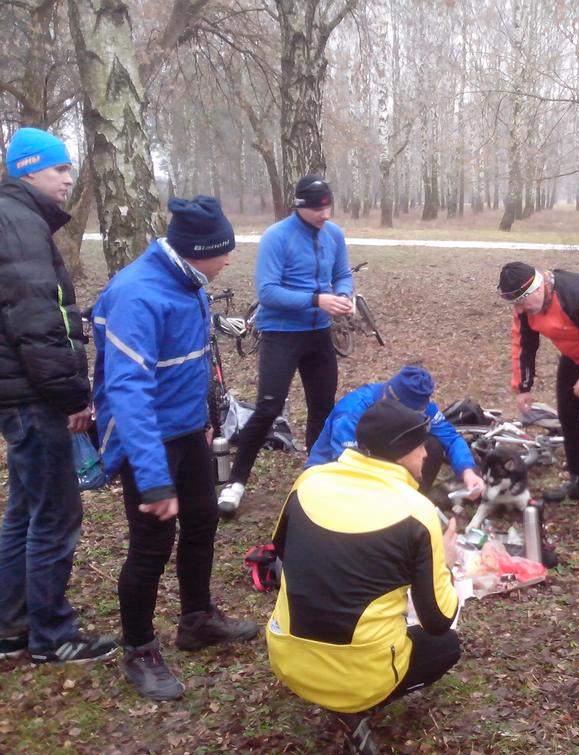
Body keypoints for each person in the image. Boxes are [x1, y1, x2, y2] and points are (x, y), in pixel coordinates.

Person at [92, 196, 258, 700]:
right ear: (197, 251)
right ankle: (139, 649)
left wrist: (206, 422)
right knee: (151, 546)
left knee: (203, 522)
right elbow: (128, 391)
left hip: (187, 431)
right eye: (223, 250)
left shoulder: (191, 283)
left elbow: (193, 361)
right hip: (148, 439)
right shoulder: (137, 295)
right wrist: (153, 477)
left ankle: (196, 619)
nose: (228, 259)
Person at [268, 398, 461, 755]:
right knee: (447, 646)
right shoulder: (416, 512)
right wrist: (446, 565)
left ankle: (330, 684)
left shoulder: (309, 481)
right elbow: (438, 620)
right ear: (401, 452)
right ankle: (356, 707)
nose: (426, 454)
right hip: (362, 675)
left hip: (287, 659)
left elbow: (279, 551)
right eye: (420, 445)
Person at [0, 127, 117, 664]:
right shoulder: (20, 225)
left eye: (69, 168)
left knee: (24, 511)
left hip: (21, 396)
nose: (69, 179)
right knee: (54, 515)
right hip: (35, 398)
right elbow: (40, 327)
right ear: (28, 170)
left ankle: (11, 626)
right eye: (58, 169)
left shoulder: (17, 218)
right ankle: (52, 636)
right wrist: (73, 397)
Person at [217, 175, 353, 517]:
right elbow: (268, 292)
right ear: (299, 206)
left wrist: (342, 294)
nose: (324, 215)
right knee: (268, 407)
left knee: (323, 407)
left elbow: (342, 273)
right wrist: (316, 299)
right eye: (317, 209)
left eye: (328, 207)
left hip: (319, 333)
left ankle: (317, 476)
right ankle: (236, 482)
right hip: (281, 332)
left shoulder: (334, 234)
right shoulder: (277, 237)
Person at [497, 261, 579, 511]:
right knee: (568, 416)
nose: (521, 309)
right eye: (516, 304)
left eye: (523, 302)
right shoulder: (524, 309)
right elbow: (523, 347)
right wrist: (523, 387)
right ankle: (578, 481)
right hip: (575, 354)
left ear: (538, 288)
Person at [306, 365, 485, 499]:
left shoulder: (421, 406)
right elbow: (348, 462)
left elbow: (451, 438)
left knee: (432, 446)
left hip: (382, 460)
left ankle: (413, 500)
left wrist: (467, 471)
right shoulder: (353, 412)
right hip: (332, 472)